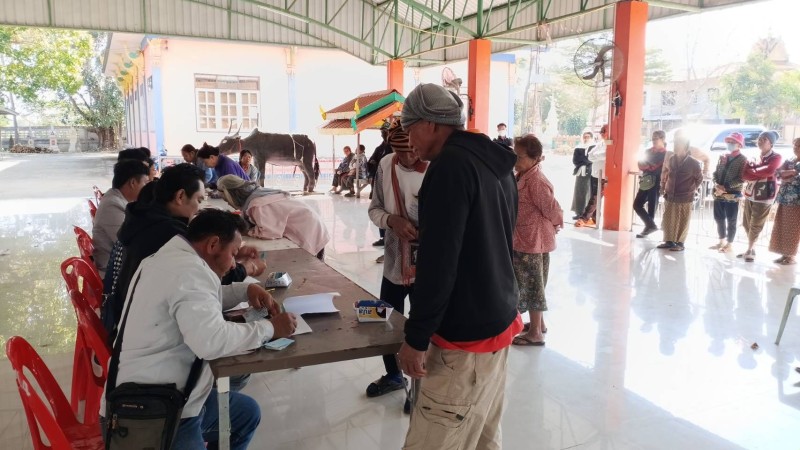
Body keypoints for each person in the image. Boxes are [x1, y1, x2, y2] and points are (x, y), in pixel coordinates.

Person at [101, 209, 298, 450]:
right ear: (213, 244)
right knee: (241, 410)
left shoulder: (170, 258)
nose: (233, 264)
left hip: (159, 393)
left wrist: (245, 290)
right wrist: (270, 328)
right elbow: (212, 341)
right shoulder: (189, 272)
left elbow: (195, 299)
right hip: (150, 412)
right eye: (233, 254)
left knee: (246, 413)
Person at [396, 83, 522, 449]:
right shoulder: (496, 162)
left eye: (410, 128)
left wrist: (416, 337)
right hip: (498, 322)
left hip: (463, 341)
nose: (408, 140)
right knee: (483, 437)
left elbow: (439, 262)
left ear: (431, 124)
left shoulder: (450, 167)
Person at [106, 164, 263, 343]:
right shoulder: (170, 235)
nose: (198, 209)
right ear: (180, 196)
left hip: (127, 317)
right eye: (198, 200)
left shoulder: (144, 218)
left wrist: (231, 252)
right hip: (145, 335)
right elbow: (207, 276)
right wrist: (246, 268)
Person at [365, 121, 428, 405]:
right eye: (402, 153)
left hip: (427, 264)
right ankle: (393, 375)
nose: (409, 157)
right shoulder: (386, 165)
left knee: (423, 323)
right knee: (385, 319)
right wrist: (391, 220)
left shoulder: (435, 167)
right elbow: (374, 209)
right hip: (394, 261)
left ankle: (420, 385)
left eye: (413, 151)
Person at [511, 134, 562, 347]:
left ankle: (535, 334)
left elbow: (552, 208)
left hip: (533, 241)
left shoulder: (536, 181)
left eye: (519, 156)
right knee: (533, 284)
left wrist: (556, 224)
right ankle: (537, 324)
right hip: (526, 238)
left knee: (533, 286)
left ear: (535, 158)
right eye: (514, 154)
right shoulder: (523, 175)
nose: (515, 159)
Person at [216, 175, 330, 258]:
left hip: (308, 230)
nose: (227, 203)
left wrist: (248, 232)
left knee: (312, 266)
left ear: (230, 195)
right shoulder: (256, 194)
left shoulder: (257, 205)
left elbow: (269, 232)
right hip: (312, 224)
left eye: (226, 199)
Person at [92, 159, 150, 277]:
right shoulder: (113, 205)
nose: (147, 188)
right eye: (145, 183)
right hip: (112, 274)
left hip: (120, 266)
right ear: (133, 183)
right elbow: (132, 245)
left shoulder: (116, 198)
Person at [738, 131, 782, 262]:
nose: (760, 141)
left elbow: (769, 170)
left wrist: (753, 170)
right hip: (750, 192)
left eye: (764, 139)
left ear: (771, 143)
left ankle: (750, 249)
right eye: (759, 138)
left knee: (756, 223)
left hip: (765, 194)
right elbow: (744, 174)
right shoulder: (754, 156)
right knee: (746, 222)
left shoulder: (776, 157)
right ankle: (752, 247)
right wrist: (757, 171)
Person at [657, 134, 703, 252]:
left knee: (682, 219)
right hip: (670, 194)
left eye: (678, 144)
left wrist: (691, 189)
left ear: (686, 147)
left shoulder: (693, 163)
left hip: (685, 197)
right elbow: (667, 173)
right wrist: (663, 186)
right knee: (669, 218)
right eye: (675, 143)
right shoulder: (672, 159)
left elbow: (699, 178)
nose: (675, 146)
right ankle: (669, 241)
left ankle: (680, 243)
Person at [709, 132, 747, 253]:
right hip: (719, 192)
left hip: (732, 193)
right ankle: (721, 241)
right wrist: (716, 184)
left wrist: (725, 187)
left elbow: (742, 178)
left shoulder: (743, 159)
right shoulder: (723, 156)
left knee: (731, 219)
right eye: (728, 142)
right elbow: (715, 173)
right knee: (719, 217)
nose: (730, 144)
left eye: (733, 142)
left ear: (739, 145)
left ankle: (729, 244)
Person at [769, 137, 800, 265]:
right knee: (782, 226)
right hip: (784, 198)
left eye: (798, 146)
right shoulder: (790, 160)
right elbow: (777, 173)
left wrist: (787, 176)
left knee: (792, 228)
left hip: (796, 201)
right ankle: (784, 254)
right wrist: (790, 173)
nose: (796, 148)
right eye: (795, 145)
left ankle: (790, 256)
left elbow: (797, 180)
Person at [634, 130, 667, 238]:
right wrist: (648, 165)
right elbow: (640, 165)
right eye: (652, 139)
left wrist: (647, 165)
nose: (653, 141)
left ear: (663, 139)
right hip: (645, 181)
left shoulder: (665, 154)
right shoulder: (648, 151)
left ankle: (649, 227)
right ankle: (651, 226)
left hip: (656, 182)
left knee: (652, 206)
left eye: (656, 138)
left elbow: (654, 166)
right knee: (637, 204)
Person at [576, 125, 608, 228]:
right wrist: (598, 156)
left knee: (595, 198)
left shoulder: (610, 144)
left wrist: (596, 156)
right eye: (601, 131)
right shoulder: (600, 143)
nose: (601, 133)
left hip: (603, 176)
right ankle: (594, 219)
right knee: (594, 197)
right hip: (594, 174)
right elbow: (590, 156)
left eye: (604, 131)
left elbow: (606, 155)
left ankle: (584, 218)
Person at [368, 127, 393, 247]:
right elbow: (371, 161)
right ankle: (383, 237)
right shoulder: (380, 148)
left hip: (393, 181)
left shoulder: (395, 146)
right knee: (380, 207)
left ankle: (391, 237)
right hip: (381, 180)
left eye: (385, 132)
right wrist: (373, 164)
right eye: (382, 132)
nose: (383, 134)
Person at [571, 131, 594, 220]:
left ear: (591, 138)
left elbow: (591, 160)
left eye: (588, 137)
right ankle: (578, 212)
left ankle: (587, 213)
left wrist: (584, 160)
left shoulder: (593, 147)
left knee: (588, 192)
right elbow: (575, 160)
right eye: (584, 137)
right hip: (580, 172)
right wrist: (585, 161)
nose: (586, 138)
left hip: (590, 172)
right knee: (579, 192)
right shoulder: (578, 147)